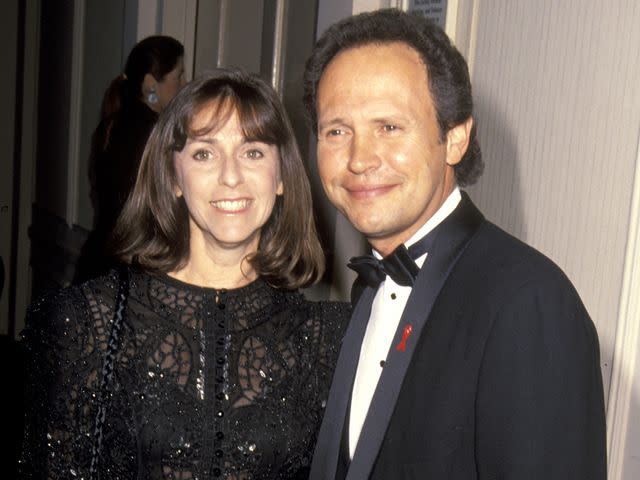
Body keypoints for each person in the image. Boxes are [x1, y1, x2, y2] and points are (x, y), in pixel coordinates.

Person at [302, 9, 606, 480]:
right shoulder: (370, 285)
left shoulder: (530, 302)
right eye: (337, 131)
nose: (359, 159)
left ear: (456, 139)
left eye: (389, 127)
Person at [19, 69, 350, 479]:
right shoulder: (89, 324)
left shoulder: (326, 340)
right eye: (204, 153)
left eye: (253, 152)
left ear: (280, 176)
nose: (231, 176)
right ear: (174, 177)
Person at [75, 35, 186, 283]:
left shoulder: (115, 123)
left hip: (102, 263)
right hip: (128, 271)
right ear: (151, 85)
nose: (184, 83)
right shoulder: (151, 134)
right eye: (178, 76)